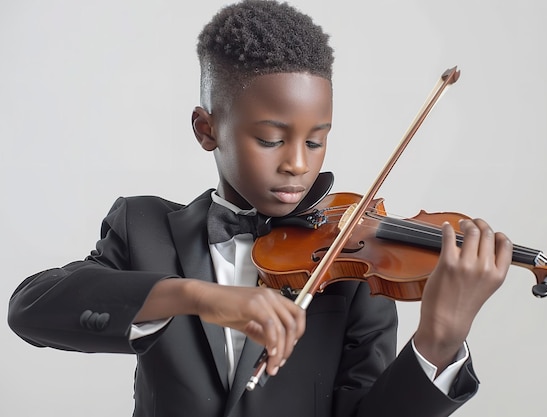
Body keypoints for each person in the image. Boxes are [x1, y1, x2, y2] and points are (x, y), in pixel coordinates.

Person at [7, 1, 513, 416]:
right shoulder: (143, 228)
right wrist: (196, 297)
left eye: (316, 142)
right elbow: (32, 309)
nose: (297, 164)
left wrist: (439, 341)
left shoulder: (352, 263)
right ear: (207, 129)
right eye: (271, 139)